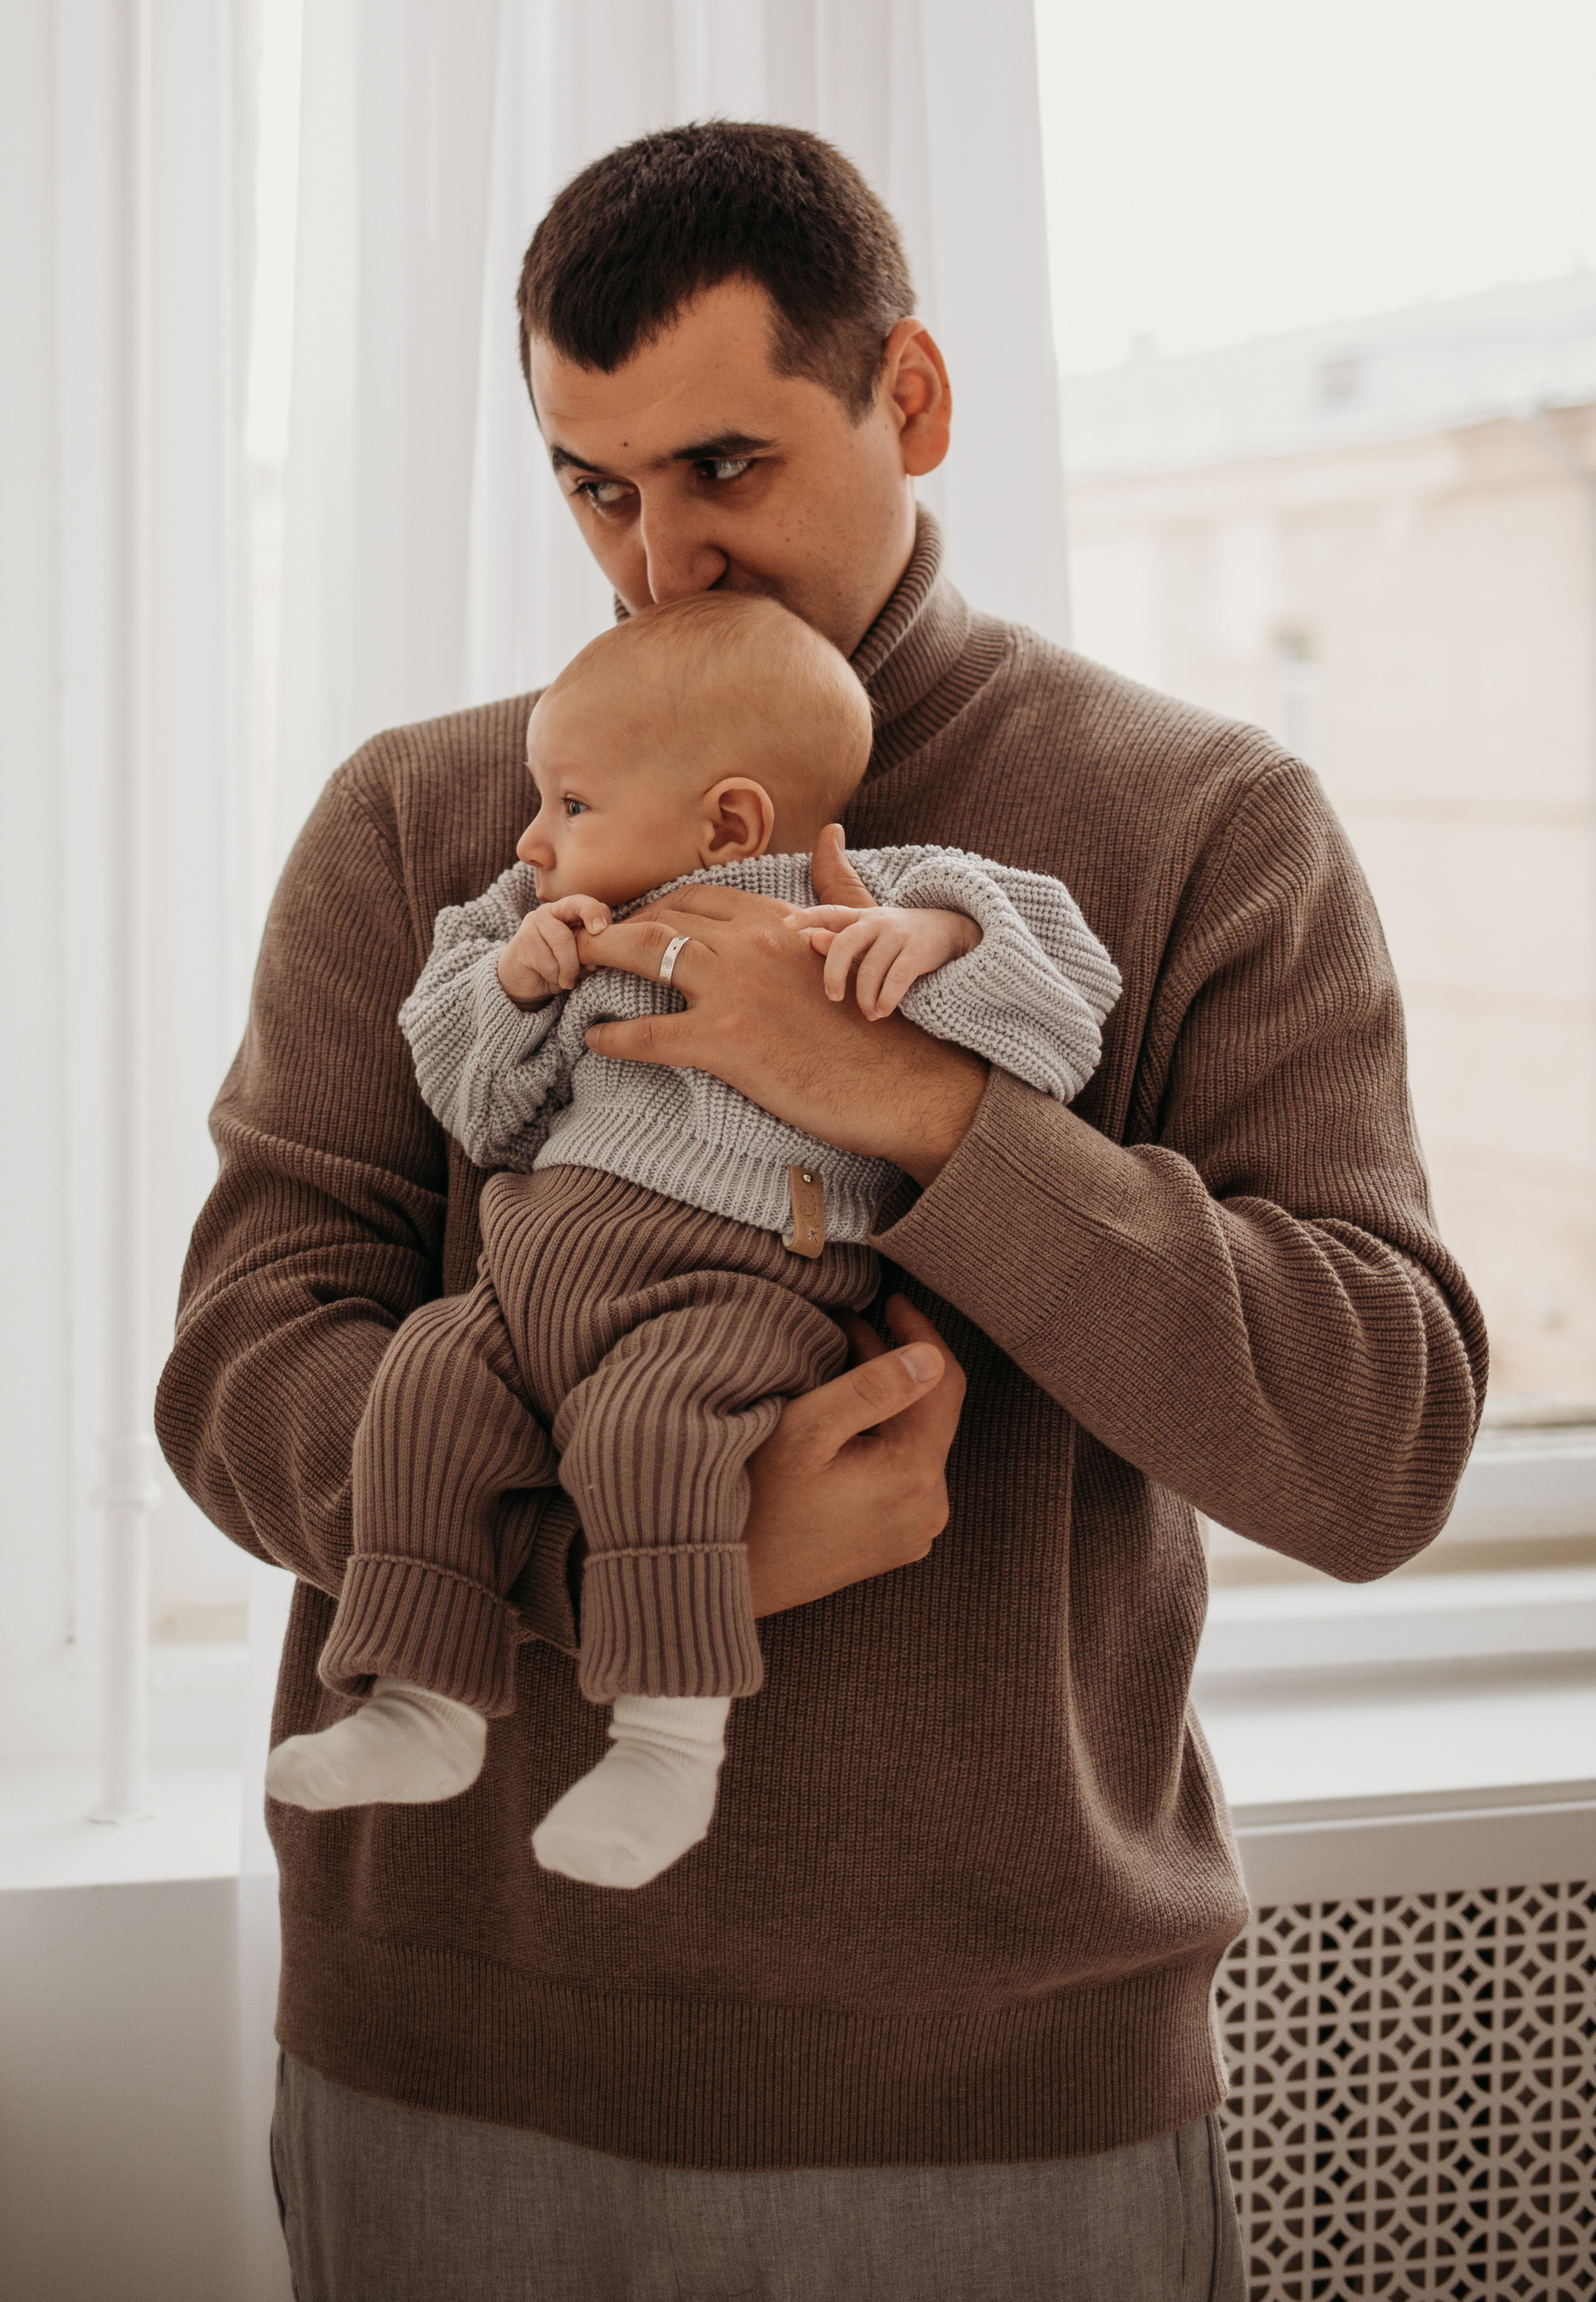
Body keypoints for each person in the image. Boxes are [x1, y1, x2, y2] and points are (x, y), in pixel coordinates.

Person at [155, 123, 1485, 2302]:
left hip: (998, 2107)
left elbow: (1372, 1447)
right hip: (460, 2067)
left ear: (913, 403)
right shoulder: (429, 826)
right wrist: (617, 1564)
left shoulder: (1194, 829)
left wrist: (917, 1104)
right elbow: (237, 1371)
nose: (655, 562)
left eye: (723, 469)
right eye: (594, 484)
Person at [265, 590, 1121, 1893]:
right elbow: (483, 1112)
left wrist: (928, 941)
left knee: (651, 1431)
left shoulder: (850, 902)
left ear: (728, 819)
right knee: (428, 1384)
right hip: (532, 1283)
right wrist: (512, 986)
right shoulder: (557, 933)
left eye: (570, 804)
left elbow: (1063, 998)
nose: (530, 836)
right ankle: (423, 1702)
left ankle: (667, 1743)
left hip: (736, 1282)